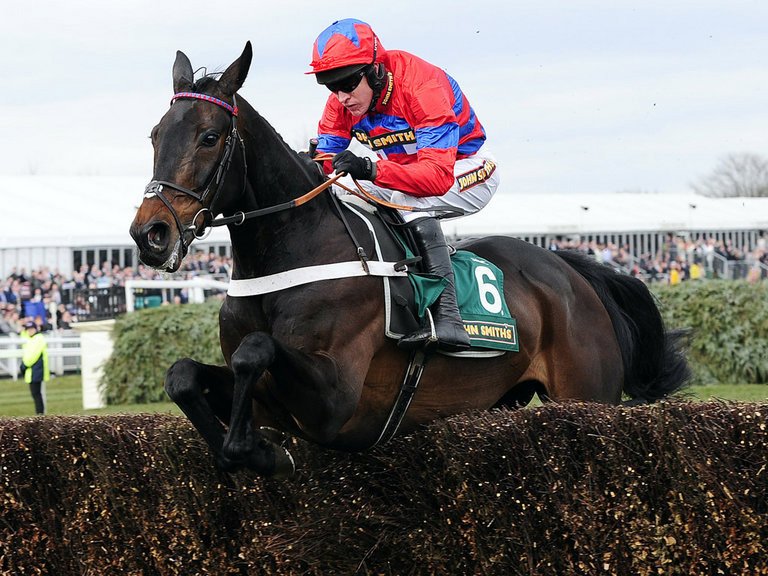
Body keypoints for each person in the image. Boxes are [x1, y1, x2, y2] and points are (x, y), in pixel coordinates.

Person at [308, 18, 500, 351]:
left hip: (467, 168)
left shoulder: (422, 86)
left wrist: (369, 168)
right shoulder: (342, 102)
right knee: (338, 193)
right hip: (406, 176)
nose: (342, 97)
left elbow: (436, 177)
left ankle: (449, 318)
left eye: (348, 84)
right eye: (331, 87)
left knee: (406, 198)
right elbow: (325, 163)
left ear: (375, 70)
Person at [20, 320, 50, 415]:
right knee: (36, 394)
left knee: (36, 394)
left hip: (36, 369)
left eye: (31, 329)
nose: (30, 331)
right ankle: (40, 414)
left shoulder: (38, 338)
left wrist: (24, 365)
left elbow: (33, 355)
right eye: (28, 329)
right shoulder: (32, 338)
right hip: (33, 370)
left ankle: (40, 414)